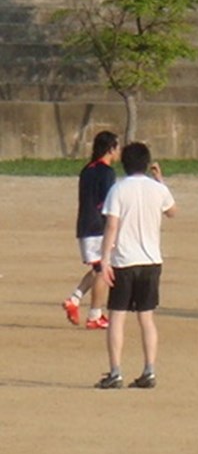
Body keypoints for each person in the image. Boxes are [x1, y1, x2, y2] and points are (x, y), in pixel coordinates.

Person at [95, 143, 176, 389]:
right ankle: (149, 370)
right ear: (147, 163)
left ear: (125, 164)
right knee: (146, 318)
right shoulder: (158, 189)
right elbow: (172, 211)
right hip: (151, 261)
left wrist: (104, 258)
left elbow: (112, 226)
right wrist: (160, 181)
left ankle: (116, 372)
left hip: (124, 261)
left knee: (117, 317)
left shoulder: (118, 189)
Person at [62, 131, 120, 329]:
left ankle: (74, 299)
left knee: (97, 268)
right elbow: (106, 203)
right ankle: (95, 315)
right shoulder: (107, 172)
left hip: (84, 225)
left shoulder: (87, 169)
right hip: (98, 228)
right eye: (117, 147)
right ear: (110, 149)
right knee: (103, 270)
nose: (118, 151)